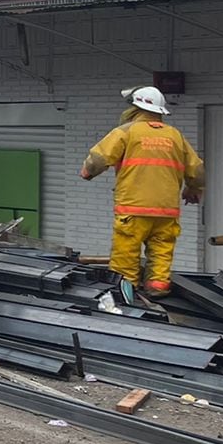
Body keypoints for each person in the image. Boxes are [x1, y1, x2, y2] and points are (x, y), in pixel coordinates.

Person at [80, 86, 205, 303]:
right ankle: (158, 286)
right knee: (162, 249)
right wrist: (193, 189)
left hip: (133, 208)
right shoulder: (175, 136)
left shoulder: (127, 132)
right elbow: (197, 169)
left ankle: (126, 291)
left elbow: (99, 158)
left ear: (135, 108)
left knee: (126, 253)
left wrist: (88, 172)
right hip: (166, 210)